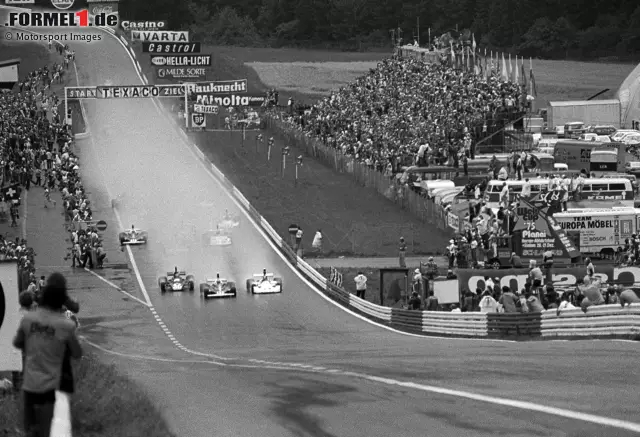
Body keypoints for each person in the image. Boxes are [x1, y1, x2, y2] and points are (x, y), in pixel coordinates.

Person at [13, 272, 82, 437]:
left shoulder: (28, 319)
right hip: (53, 384)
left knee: (30, 429)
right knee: (56, 426)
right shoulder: (65, 325)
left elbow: (17, 343)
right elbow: (77, 353)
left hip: (30, 383)